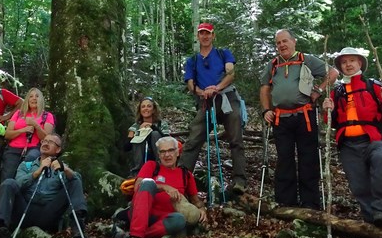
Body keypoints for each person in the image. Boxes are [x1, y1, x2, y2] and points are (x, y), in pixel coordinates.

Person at [322, 47, 382, 228]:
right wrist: (327, 109)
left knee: (381, 162)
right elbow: (330, 122)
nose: (348, 64)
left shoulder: (373, 85)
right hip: (348, 144)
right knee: (358, 184)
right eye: (344, 62)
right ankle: (371, 223)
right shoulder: (337, 91)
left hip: (374, 140)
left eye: (352, 60)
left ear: (360, 63)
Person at [260, 29, 338, 210]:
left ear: (293, 41)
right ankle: (286, 202)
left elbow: (333, 73)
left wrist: (318, 91)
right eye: (278, 43)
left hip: (305, 116)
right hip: (281, 118)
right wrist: (266, 110)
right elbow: (264, 88)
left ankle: (310, 202)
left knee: (308, 158)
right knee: (284, 158)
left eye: (285, 41)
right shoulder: (272, 65)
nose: (282, 45)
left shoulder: (307, 59)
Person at [179, 22, 247, 194]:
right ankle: (181, 178)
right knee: (194, 137)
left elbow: (231, 73)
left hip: (226, 97)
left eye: (208, 33)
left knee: (236, 137)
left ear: (213, 35)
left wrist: (217, 88)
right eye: (202, 33)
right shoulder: (192, 60)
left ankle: (239, 180)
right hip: (206, 101)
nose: (205, 36)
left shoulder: (223, 53)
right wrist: (202, 92)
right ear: (198, 36)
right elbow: (190, 83)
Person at [0, 133, 88, 238]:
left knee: (75, 180)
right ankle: (2, 231)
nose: (46, 143)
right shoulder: (26, 165)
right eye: (44, 141)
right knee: (8, 183)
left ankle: (78, 227)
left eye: (50, 142)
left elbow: (76, 180)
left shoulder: (61, 167)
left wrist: (66, 170)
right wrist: (37, 172)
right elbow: (18, 183)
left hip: (48, 212)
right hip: (24, 209)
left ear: (58, 150)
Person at [122, 136, 206, 238]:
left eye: (170, 150)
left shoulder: (185, 175)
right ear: (159, 155)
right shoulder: (151, 166)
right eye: (163, 151)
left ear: (177, 152)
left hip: (163, 219)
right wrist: (164, 187)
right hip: (143, 213)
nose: (167, 155)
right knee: (148, 183)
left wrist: (202, 209)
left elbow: (196, 200)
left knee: (179, 219)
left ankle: (136, 236)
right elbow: (138, 187)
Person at [0, 88, 56, 182]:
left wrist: (36, 126)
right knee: (8, 177)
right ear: (27, 100)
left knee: (28, 164)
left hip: (34, 149)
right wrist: (23, 130)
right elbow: (7, 135)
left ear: (41, 100)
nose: (34, 98)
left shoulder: (47, 116)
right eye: (31, 96)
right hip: (13, 149)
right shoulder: (18, 114)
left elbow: (47, 139)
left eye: (37, 96)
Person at [126, 97, 170, 176]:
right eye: (143, 107)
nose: (146, 109)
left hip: (158, 154)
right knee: (137, 138)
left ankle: (160, 167)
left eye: (149, 106)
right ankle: (137, 172)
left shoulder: (161, 124)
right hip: (141, 156)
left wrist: (152, 127)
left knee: (155, 134)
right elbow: (126, 147)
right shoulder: (135, 126)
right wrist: (138, 132)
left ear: (153, 110)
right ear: (140, 110)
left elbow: (167, 141)